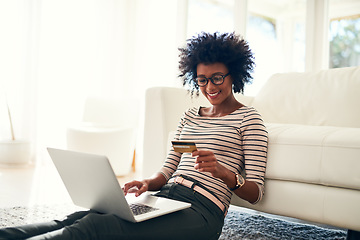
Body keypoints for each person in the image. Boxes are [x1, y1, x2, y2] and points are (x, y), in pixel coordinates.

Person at [0, 32, 268, 240]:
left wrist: (222, 172)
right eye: (202, 80)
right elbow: (167, 170)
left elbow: (255, 193)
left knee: (95, 227)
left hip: (202, 213)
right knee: (80, 218)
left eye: (218, 78)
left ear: (235, 74)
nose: (209, 87)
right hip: (165, 197)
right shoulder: (190, 116)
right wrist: (147, 183)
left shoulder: (249, 119)